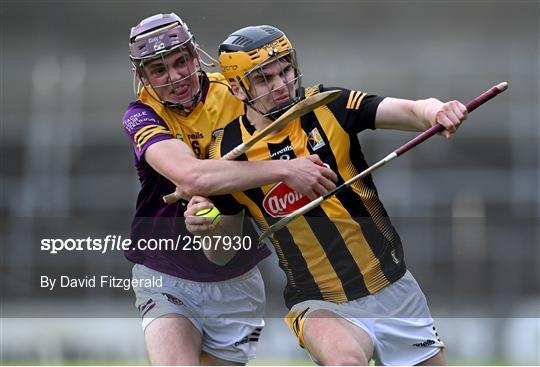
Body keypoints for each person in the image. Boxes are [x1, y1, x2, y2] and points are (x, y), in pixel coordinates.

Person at [186, 25, 468, 365]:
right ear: (236, 87)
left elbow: (409, 110)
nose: (280, 85)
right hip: (318, 301)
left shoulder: (328, 105)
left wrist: (435, 111)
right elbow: (220, 254)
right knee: (345, 360)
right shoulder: (226, 154)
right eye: (263, 79)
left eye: (285, 70)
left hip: (393, 288)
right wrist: (207, 226)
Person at [122, 14, 337, 365]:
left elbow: (293, 124)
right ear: (142, 77)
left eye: (180, 62)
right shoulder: (141, 114)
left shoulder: (236, 92)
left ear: (196, 55)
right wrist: (286, 169)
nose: (175, 77)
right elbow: (190, 178)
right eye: (158, 70)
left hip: (235, 270)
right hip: (165, 268)